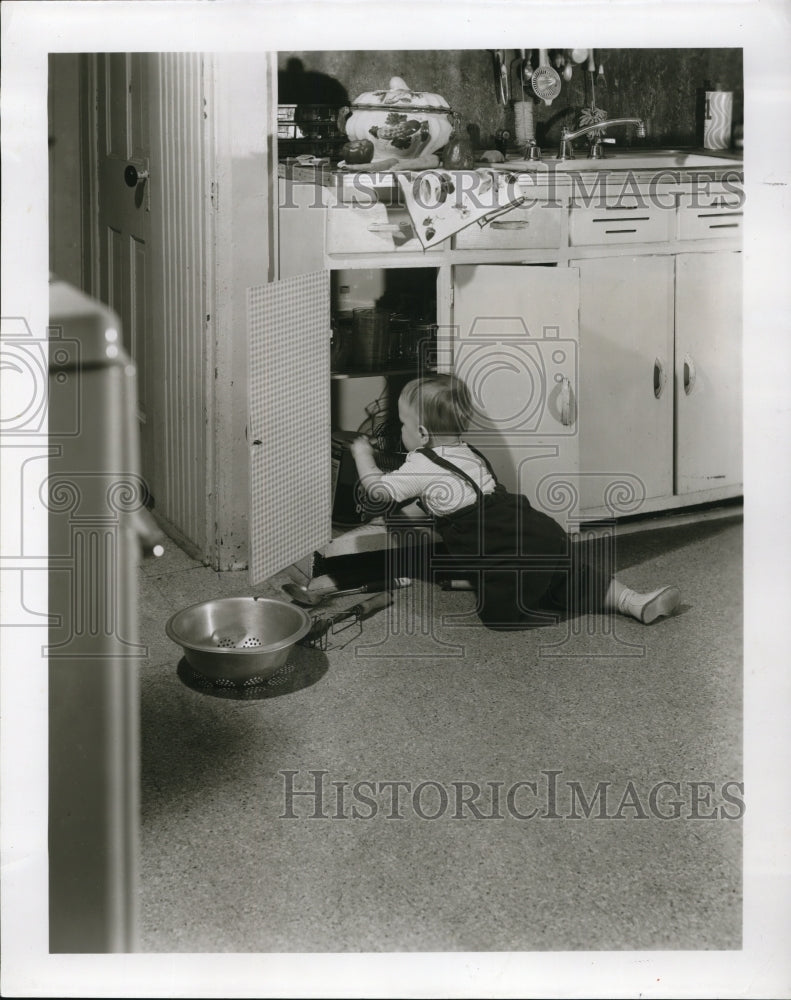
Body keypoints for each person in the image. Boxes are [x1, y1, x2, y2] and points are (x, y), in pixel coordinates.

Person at [301, 373, 681, 628]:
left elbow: (378, 491)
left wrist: (362, 455)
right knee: (570, 572)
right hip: (534, 529)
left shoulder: (420, 465)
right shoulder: (466, 452)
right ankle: (632, 600)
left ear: (420, 433)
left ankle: (517, 589)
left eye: (401, 424)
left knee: (502, 613)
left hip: (502, 546)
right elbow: (444, 500)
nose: (398, 431)